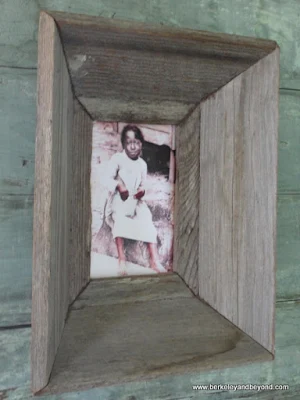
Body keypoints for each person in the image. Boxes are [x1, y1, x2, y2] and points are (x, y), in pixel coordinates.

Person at [103, 124, 167, 276]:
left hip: (135, 202)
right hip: (119, 200)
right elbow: (106, 178)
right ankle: (122, 259)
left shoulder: (142, 165)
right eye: (129, 143)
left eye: (136, 142)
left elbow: (143, 185)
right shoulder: (117, 159)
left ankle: (154, 260)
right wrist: (119, 186)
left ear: (141, 144)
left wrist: (141, 192)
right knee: (119, 221)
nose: (133, 146)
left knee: (147, 221)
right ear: (124, 144)